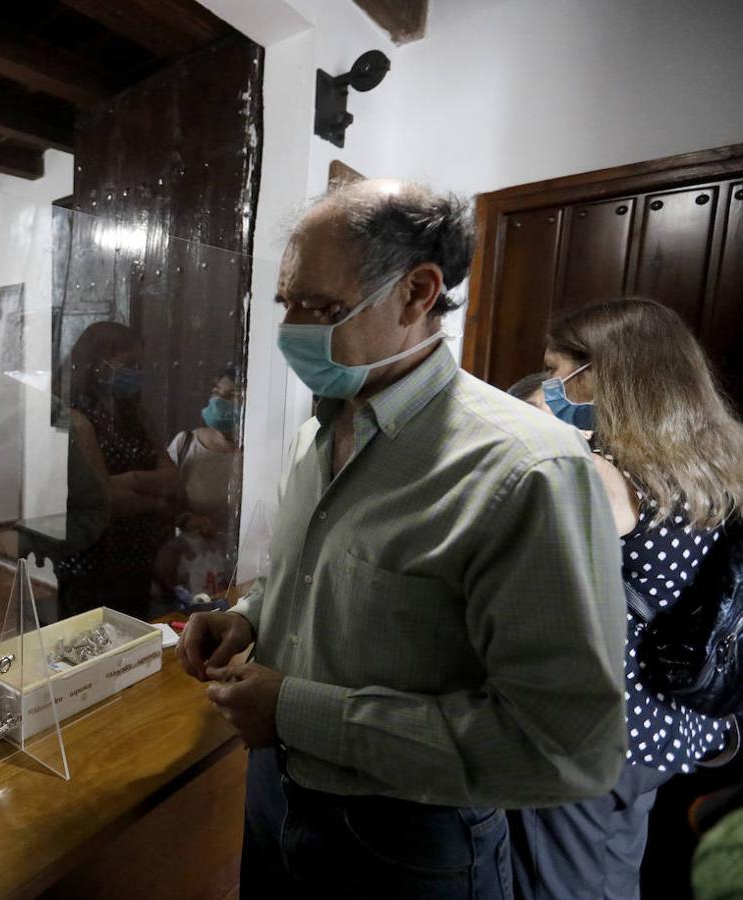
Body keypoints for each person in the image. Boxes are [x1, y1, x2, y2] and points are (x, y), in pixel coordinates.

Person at [178, 180, 628, 899]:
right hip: (275, 794)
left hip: (407, 839)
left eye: (318, 307)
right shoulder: (313, 437)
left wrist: (295, 709)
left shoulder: (524, 470)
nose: (291, 327)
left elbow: (566, 747)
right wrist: (248, 619)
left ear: (418, 294)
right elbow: (310, 579)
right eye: (285, 303)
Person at [506, 297, 743, 900]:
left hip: (598, 725)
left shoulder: (606, 476)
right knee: (614, 872)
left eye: (558, 371)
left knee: (559, 886)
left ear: (602, 374)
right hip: (670, 719)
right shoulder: (714, 461)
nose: (553, 385)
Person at [55, 321, 177, 621]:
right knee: (87, 650)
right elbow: (104, 501)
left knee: (134, 647)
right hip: (91, 559)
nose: (136, 373)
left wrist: (127, 482)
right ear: (97, 365)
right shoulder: (75, 419)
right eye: (129, 364)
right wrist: (155, 498)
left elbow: (173, 478)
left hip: (137, 553)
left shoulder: (135, 415)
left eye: (139, 365)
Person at [156, 368, 244, 600]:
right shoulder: (186, 444)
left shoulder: (261, 454)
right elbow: (161, 501)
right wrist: (187, 519)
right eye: (216, 393)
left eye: (233, 395)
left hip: (243, 572)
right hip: (189, 571)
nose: (219, 402)